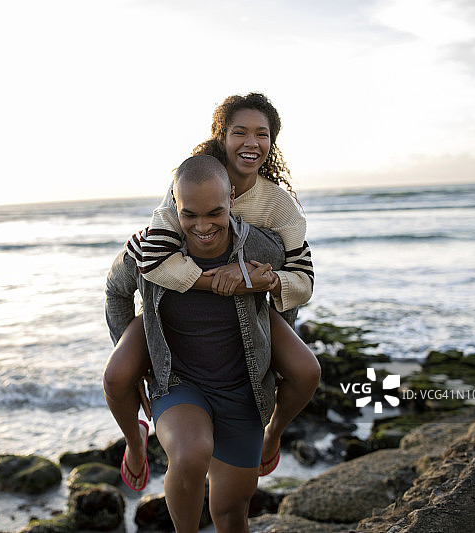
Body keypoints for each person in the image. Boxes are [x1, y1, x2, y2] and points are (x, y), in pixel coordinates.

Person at [103, 93, 320, 493]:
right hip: (180, 309)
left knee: (307, 371)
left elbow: (302, 279)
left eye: (262, 134)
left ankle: (272, 434)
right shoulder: (187, 188)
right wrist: (217, 280)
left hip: (253, 302)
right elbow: (151, 261)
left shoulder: (279, 208)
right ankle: (136, 441)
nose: (250, 143)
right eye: (239, 132)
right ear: (221, 136)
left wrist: (264, 284)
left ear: (272, 142)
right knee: (117, 375)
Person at [106, 154, 296, 532]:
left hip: (242, 391)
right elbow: (116, 291)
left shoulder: (261, 246)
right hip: (179, 384)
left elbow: (289, 289)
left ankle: (268, 435)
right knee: (190, 454)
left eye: (215, 212)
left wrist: (273, 342)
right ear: (173, 206)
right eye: (189, 214)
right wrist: (139, 346)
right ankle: (136, 442)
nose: (203, 225)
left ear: (231, 203)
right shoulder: (149, 247)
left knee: (230, 516)